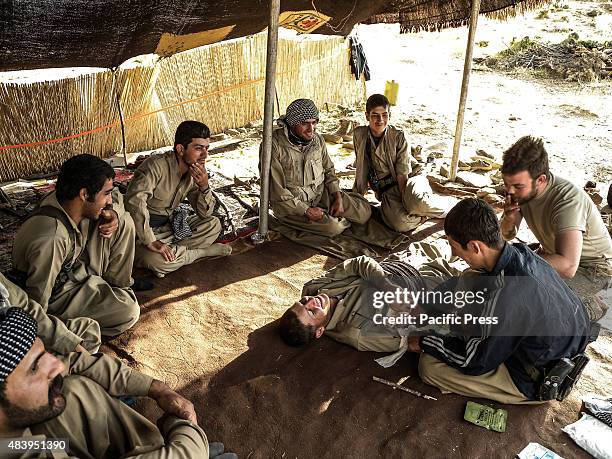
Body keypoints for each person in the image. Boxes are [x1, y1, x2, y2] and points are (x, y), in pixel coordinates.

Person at [411, 198, 591, 404]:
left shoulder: (507, 296)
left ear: (475, 246)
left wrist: (425, 340)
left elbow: (474, 360)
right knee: (472, 276)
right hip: (560, 345)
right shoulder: (520, 253)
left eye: (454, 246)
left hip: (536, 379)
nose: (454, 254)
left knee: (429, 367)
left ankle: (514, 393)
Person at [0, 307, 237, 458]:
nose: (57, 366)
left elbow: (75, 361)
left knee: (72, 393)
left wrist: (157, 389)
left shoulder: (12, 439)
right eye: (34, 368)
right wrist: (187, 435)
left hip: (33, 442)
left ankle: (159, 449)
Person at [12, 154, 141, 338]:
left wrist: (112, 212)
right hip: (55, 295)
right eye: (106, 194)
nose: (109, 200)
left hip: (72, 271)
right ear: (84, 194)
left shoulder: (66, 202)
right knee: (128, 311)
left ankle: (112, 290)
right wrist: (52, 336)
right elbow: (37, 298)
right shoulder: (54, 238)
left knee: (123, 220)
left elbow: (118, 198)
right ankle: (72, 329)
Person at [500, 136, 612, 321]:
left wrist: (521, 260)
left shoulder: (567, 201)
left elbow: (568, 266)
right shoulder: (522, 191)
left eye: (517, 186)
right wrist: (510, 217)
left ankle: (589, 307)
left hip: (593, 269)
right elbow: (506, 235)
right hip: (556, 255)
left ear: (541, 180)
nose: (510, 192)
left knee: (531, 304)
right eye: (506, 184)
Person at [125, 120, 231, 278]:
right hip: (141, 231)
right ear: (181, 149)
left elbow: (205, 214)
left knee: (213, 224)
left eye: (206, 148)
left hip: (169, 228)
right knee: (156, 260)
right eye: (198, 148)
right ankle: (201, 253)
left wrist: (204, 186)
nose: (205, 155)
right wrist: (150, 241)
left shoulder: (194, 171)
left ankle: (175, 253)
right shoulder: (156, 166)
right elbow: (134, 203)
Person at [265, 98, 372, 237]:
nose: (311, 129)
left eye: (314, 123)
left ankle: (331, 215)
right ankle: (332, 220)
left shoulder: (317, 140)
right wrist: (306, 210)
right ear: (292, 124)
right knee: (334, 228)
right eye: (305, 124)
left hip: (320, 195)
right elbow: (277, 191)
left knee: (364, 212)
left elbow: (329, 170)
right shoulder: (273, 146)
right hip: (292, 206)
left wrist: (337, 197)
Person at [352, 94, 453, 232]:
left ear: (390, 115)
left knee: (414, 203)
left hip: (411, 178)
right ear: (366, 116)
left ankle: (450, 209)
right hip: (387, 189)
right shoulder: (359, 135)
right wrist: (357, 199)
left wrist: (405, 201)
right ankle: (423, 216)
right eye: (375, 115)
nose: (380, 120)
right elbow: (362, 169)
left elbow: (402, 173)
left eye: (384, 115)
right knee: (399, 224)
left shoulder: (398, 136)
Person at [0, 273, 100, 355]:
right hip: (23, 358)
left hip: (32, 335)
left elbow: (26, 307)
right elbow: (40, 293)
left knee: (89, 329)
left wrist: (69, 342)